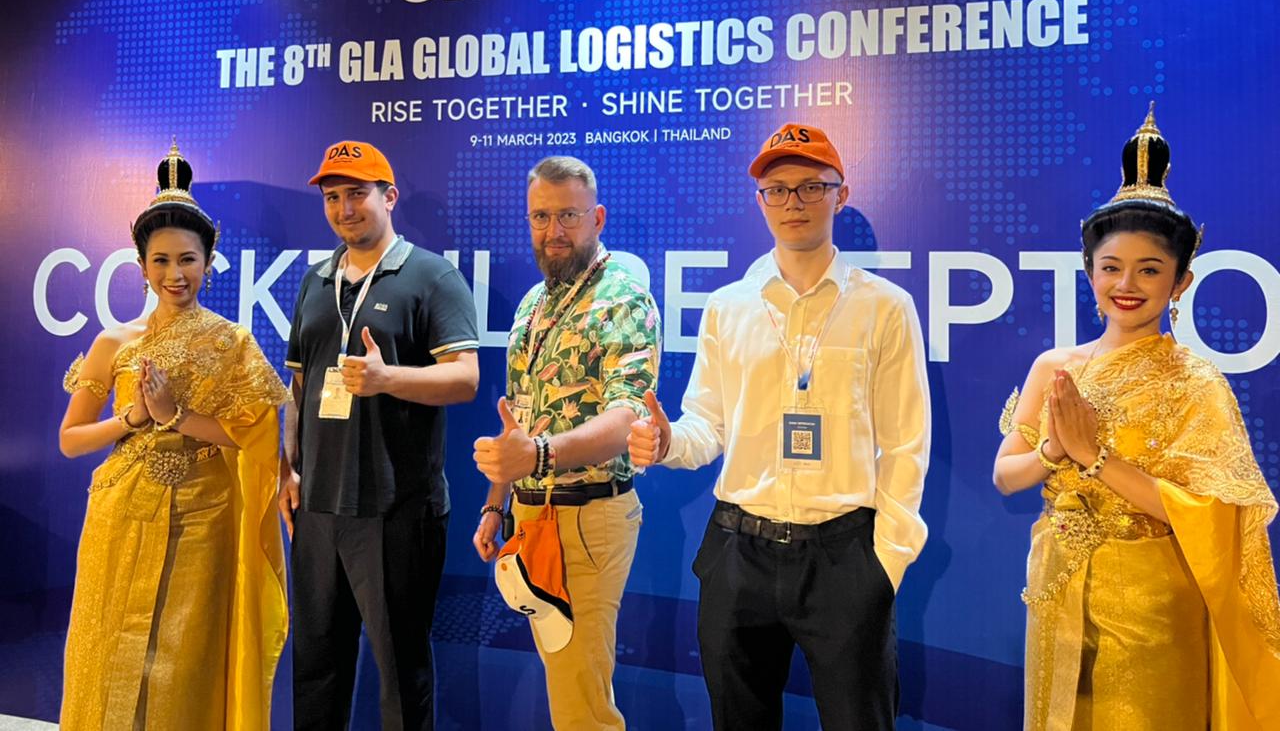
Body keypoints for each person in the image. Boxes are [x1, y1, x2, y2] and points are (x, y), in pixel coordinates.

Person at [629, 122, 931, 731]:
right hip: (737, 551)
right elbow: (707, 424)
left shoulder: (884, 307)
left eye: (812, 187)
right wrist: (666, 442)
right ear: (760, 200)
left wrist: (886, 563)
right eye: (778, 189)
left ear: (841, 195)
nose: (794, 202)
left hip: (844, 556)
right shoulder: (728, 306)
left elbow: (906, 443)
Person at [993, 105, 1280, 729]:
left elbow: (1210, 514)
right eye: (1111, 268)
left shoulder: (1195, 382)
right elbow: (1006, 477)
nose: (1127, 284)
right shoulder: (1054, 366)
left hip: (1154, 602)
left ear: (1180, 282)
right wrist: (1054, 451)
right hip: (1057, 586)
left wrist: (1095, 458)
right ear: (1089, 272)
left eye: (1150, 270)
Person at [58, 142, 289, 730]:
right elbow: (71, 438)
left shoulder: (232, 342)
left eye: (187, 259)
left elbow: (254, 440)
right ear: (141, 266)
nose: (174, 274)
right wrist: (133, 418)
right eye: (160, 260)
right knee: (106, 649)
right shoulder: (115, 342)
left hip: (204, 517)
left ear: (208, 263)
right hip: (120, 512)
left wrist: (175, 415)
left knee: (184, 663)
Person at [280, 141, 480, 731]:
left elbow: (465, 378)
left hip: (397, 510)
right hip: (318, 507)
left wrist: (387, 378)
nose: (344, 209)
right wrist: (286, 469)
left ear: (389, 197)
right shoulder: (315, 280)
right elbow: (299, 386)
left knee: (401, 673)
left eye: (357, 194)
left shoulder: (433, 276)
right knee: (316, 669)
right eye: (332, 198)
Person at [472, 155, 660, 731]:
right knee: (570, 691)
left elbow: (627, 417)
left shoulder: (623, 298)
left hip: (588, 517)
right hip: (533, 518)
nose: (553, 231)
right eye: (540, 217)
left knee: (583, 710)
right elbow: (518, 419)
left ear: (597, 218)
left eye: (568, 216)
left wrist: (539, 455)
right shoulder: (534, 303)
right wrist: (496, 504)